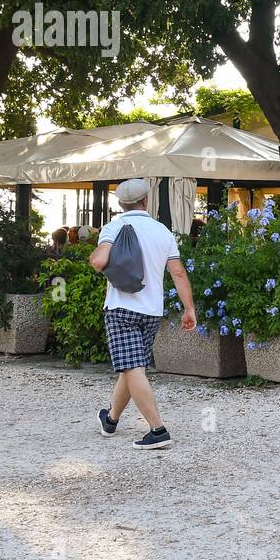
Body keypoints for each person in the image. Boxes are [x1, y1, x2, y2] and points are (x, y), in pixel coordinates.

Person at [88, 178, 197, 450]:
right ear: (146, 200)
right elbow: (178, 272)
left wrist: (94, 257)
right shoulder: (162, 231)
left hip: (121, 308)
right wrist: (189, 308)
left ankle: (158, 430)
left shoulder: (114, 227)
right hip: (151, 311)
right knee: (131, 367)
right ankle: (110, 419)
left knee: (132, 367)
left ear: (120, 204)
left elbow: (100, 262)